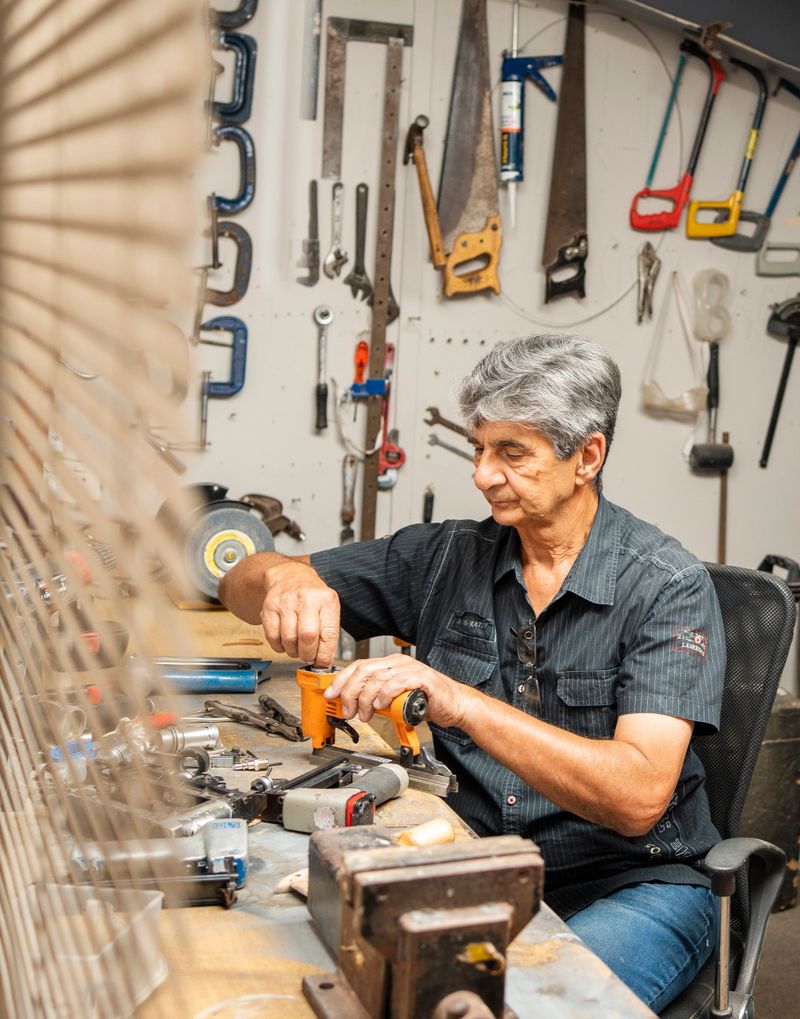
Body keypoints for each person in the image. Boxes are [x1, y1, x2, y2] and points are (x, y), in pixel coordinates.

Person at [219, 333, 725, 1013]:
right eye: (480, 448)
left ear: (588, 456)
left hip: (628, 883)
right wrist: (283, 578)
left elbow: (637, 795)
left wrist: (459, 700)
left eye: (512, 453)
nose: (483, 473)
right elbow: (235, 578)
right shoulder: (445, 557)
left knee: (511, 1005)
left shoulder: (666, 585)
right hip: (470, 864)